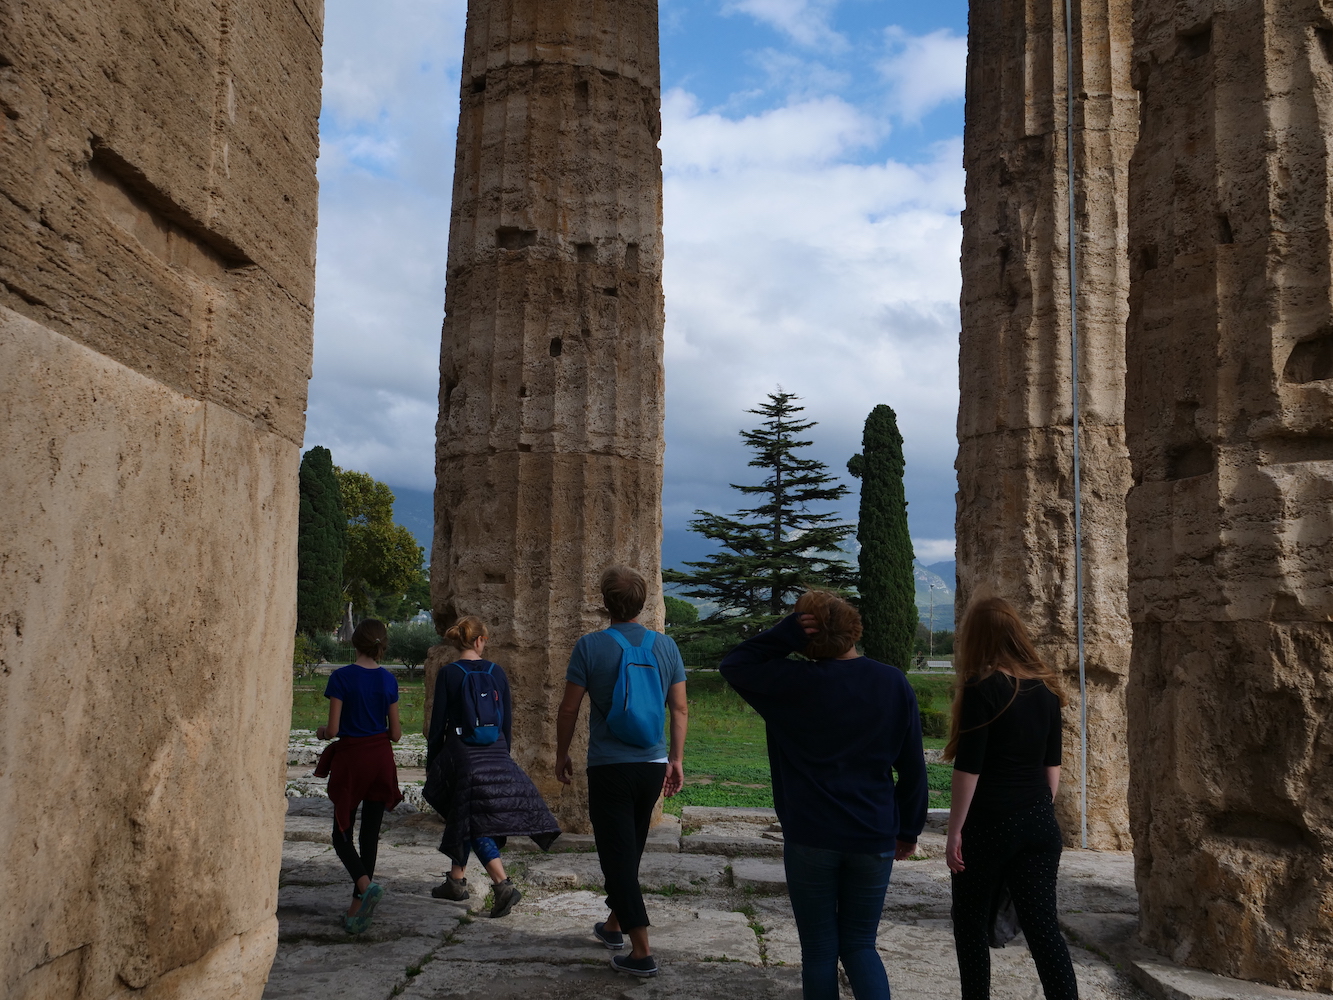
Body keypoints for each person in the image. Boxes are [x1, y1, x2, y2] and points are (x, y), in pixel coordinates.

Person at [719, 590, 928, 1000]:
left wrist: (783, 636)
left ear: (806, 636)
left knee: (818, 950)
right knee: (861, 945)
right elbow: (913, 767)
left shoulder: (791, 684)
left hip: (811, 833)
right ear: (854, 629)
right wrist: (909, 828)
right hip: (873, 833)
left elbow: (735, 664)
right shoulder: (892, 682)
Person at [555, 566, 688, 978]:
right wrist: (676, 759)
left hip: (610, 766)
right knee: (629, 847)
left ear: (606, 602)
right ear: (643, 601)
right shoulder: (666, 647)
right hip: (651, 764)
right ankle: (613, 925)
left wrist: (561, 753)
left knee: (616, 853)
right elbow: (679, 708)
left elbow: (570, 707)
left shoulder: (589, 646)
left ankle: (641, 949)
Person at [944, 596, 1078, 1000]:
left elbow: (969, 769)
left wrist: (954, 832)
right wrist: (1034, 812)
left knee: (970, 923)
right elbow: (1051, 769)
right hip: (1038, 821)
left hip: (988, 824)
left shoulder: (982, 687)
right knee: (1043, 930)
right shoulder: (1047, 688)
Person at [424, 615, 561, 918]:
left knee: (471, 816)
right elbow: (506, 720)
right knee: (468, 812)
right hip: (496, 750)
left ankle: (502, 885)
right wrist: (503, 754)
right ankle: (456, 880)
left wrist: (432, 761)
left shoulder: (449, 674)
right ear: (479, 640)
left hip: (463, 752)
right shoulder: (496, 671)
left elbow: (438, 724)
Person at [313, 618, 404, 934]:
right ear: (382, 645)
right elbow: (396, 734)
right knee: (370, 835)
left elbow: (335, 729)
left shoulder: (341, 677)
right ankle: (357, 909)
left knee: (341, 833)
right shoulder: (389, 681)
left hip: (352, 759)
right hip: (380, 758)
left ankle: (365, 887)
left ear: (354, 642)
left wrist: (323, 732)